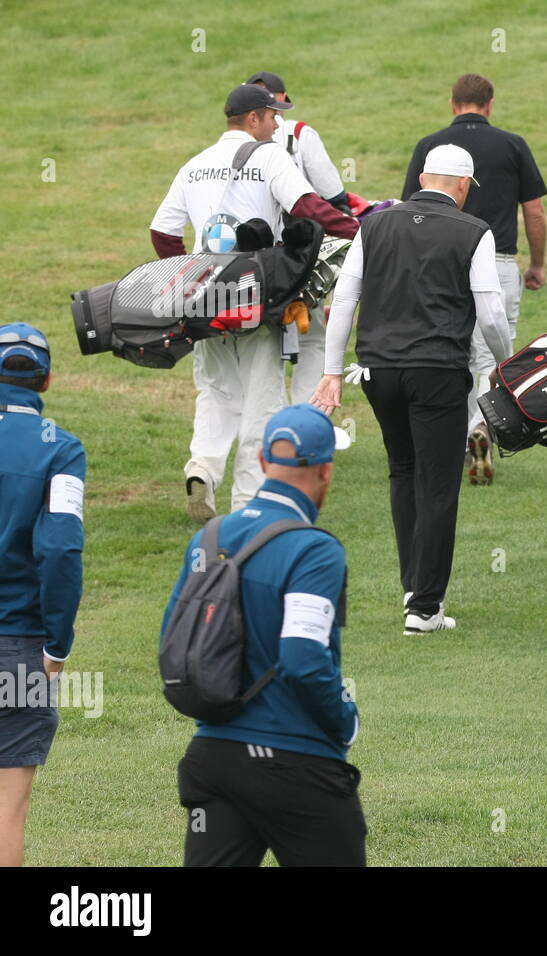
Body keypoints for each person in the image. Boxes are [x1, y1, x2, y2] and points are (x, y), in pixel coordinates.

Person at [310, 145, 512, 633]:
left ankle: (413, 587)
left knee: (403, 472)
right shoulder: (474, 231)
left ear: (422, 176)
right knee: (439, 483)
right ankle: (425, 607)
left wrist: (332, 371)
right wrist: (508, 365)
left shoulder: (374, 224)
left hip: (378, 371)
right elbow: (489, 314)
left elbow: (347, 298)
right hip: (438, 371)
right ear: (463, 186)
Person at [164, 404, 364, 866]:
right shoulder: (315, 551)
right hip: (296, 766)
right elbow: (302, 659)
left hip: (212, 759)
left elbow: (173, 647)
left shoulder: (209, 539)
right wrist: (345, 721)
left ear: (260, 464)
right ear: (326, 471)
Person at [149, 83, 358, 523]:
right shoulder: (269, 157)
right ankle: (246, 506)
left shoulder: (194, 164)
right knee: (263, 399)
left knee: (215, 391)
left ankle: (202, 468)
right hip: (259, 301)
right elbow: (307, 207)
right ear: (253, 120)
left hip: (207, 301)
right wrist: (358, 230)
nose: (277, 123)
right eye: (271, 116)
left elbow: (163, 233)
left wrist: (190, 280)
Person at [402, 73, 547, 486]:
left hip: (437, 263)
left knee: (454, 356)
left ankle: (456, 438)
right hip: (498, 261)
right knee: (492, 356)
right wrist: (537, 265)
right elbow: (534, 212)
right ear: (490, 104)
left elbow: (410, 211)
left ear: (452, 104)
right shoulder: (513, 144)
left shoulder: (429, 147)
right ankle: (481, 426)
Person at [0, 324, 84, 866]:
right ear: (47, 380)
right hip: (19, 648)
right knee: (8, 806)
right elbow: (60, 553)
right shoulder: (62, 450)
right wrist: (57, 647)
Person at [246, 70, 351, 406]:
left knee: (263, 346)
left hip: (250, 264)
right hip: (301, 259)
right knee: (313, 339)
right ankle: (307, 425)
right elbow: (333, 198)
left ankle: (272, 431)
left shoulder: (231, 145)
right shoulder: (300, 135)